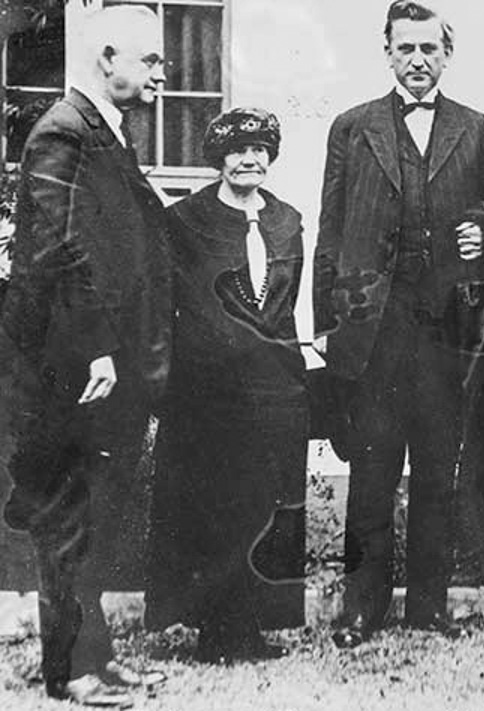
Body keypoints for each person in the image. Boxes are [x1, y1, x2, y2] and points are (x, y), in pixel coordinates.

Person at [313, 0, 484, 646]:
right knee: (371, 469)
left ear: (447, 53)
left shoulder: (475, 128)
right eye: (406, 48)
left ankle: (430, 604)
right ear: (387, 51)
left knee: (435, 470)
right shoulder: (352, 127)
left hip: (447, 329)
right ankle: (361, 607)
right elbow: (330, 229)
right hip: (372, 328)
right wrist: (325, 321)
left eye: (430, 49)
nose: (418, 61)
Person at [0, 5, 170, 706]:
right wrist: (100, 346)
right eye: (151, 60)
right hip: (73, 364)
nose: (163, 72)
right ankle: (69, 669)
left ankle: (95, 656)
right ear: (107, 60)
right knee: (68, 518)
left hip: (104, 362)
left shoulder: (104, 131)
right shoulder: (64, 132)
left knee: (95, 512)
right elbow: (59, 247)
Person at [144, 108, 307, 662]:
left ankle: (251, 626)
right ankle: (217, 629)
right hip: (206, 393)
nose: (249, 159)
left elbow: (282, 307)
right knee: (215, 509)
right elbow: (172, 304)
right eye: (237, 151)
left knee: (262, 506)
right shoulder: (185, 220)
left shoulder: (287, 220)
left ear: (271, 156)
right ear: (218, 159)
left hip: (272, 392)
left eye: (259, 149)